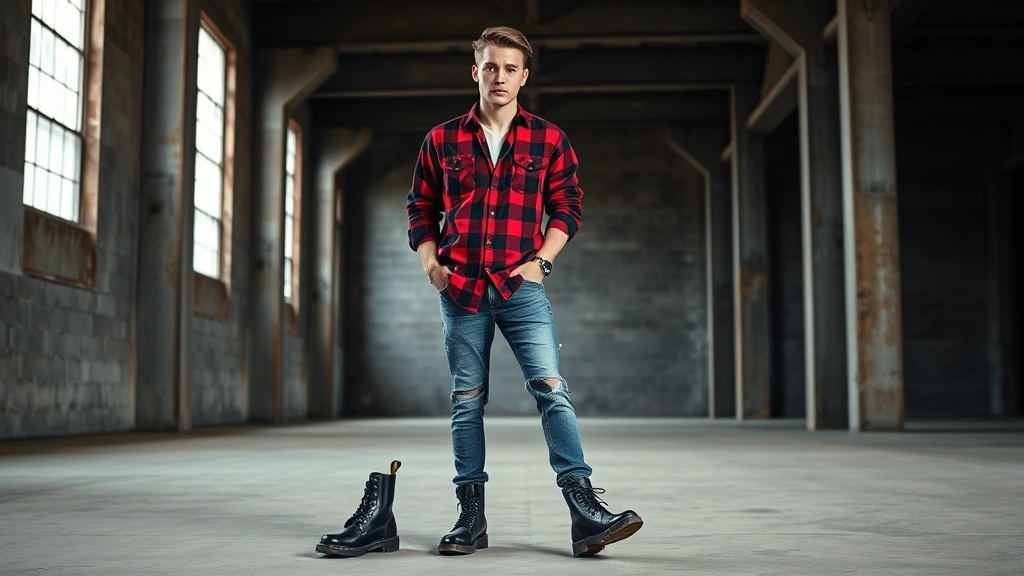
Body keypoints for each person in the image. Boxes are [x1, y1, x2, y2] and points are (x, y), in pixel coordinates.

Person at [406, 26, 642, 558]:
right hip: (460, 287)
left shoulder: (549, 139)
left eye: (510, 69)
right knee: (467, 401)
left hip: (521, 286)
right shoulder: (441, 140)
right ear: (476, 71)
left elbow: (568, 206)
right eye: (490, 67)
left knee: (552, 390)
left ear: (524, 76)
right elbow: (420, 206)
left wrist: (541, 262)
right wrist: (430, 263)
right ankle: (471, 518)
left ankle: (585, 513)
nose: (500, 77)